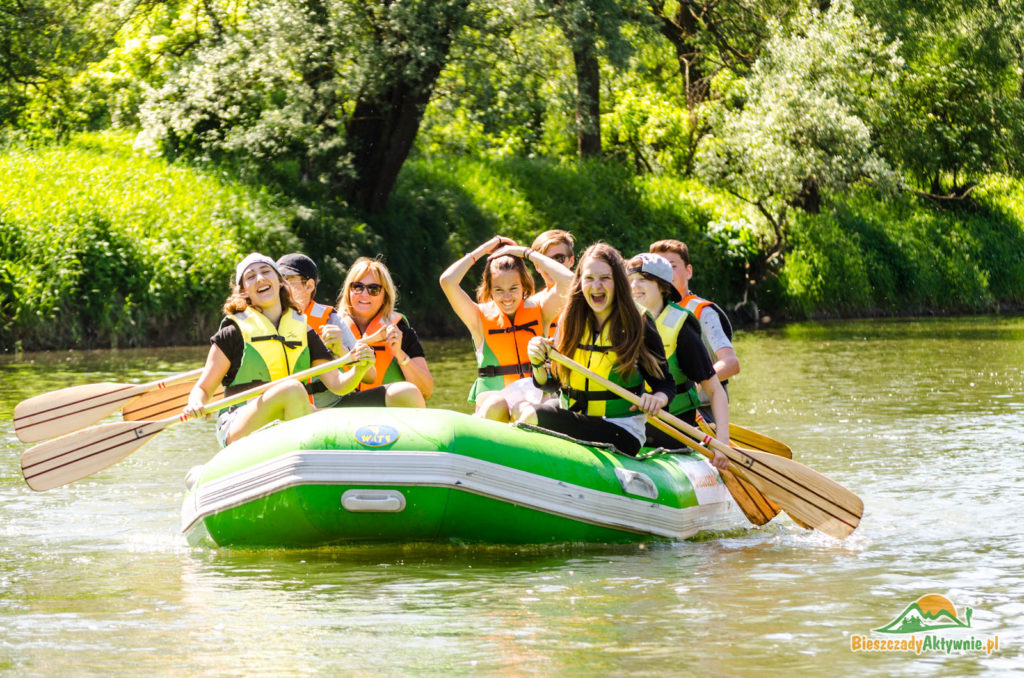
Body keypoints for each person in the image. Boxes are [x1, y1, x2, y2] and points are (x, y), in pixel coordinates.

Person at [518, 243, 727, 468]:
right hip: (578, 416)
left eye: (605, 278)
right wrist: (538, 363)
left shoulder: (642, 323)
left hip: (625, 428)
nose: (596, 286)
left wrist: (658, 399)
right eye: (589, 278)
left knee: (534, 414)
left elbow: (666, 384)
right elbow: (552, 385)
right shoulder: (571, 320)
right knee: (522, 409)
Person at [185, 253, 374, 447]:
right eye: (250, 276)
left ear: (280, 281)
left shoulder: (304, 330)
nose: (260, 278)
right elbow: (203, 388)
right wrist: (196, 403)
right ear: (243, 291)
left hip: (288, 416)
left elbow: (338, 385)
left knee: (333, 413)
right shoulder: (232, 333)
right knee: (291, 389)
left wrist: (358, 369)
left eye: (266, 271)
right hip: (239, 420)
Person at [439, 235, 572, 421]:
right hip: (492, 404)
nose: (507, 297)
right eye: (499, 290)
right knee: (497, 404)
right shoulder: (477, 317)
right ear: (490, 289)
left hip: (533, 402)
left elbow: (569, 282)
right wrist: (483, 250)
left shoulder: (540, 310)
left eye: (514, 288)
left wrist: (526, 253)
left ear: (524, 285)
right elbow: (447, 281)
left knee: (523, 409)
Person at [627, 253, 730, 451]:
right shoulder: (621, 323)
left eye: (643, 280)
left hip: (674, 425)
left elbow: (714, 389)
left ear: (663, 287)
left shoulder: (682, 327)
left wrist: (722, 443)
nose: (634, 287)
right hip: (631, 420)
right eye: (631, 280)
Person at [650, 239, 740, 413]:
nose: (664, 274)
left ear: (688, 271)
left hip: (703, 411)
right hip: (660, 408)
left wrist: (702, 381)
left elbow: (731, 363)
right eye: (659, 268)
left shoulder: (704, 313)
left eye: (672, 266)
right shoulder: (649, 312)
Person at [276, 252, 371, 405]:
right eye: (278, 279)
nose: (280, 285)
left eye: (287, 279)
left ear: (309, 286)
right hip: (287, 406)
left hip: (330, 406)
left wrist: (340, 349)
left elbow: (370, 376)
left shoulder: (331, 320)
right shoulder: (270, 319)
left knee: (404, 392)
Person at [335, 256, 431, 407]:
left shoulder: (401, 331)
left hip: (386, 413)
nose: (364, 294)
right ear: (348, 291)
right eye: (357, 287)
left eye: (374, 289)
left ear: (385, 295)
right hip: (343, 413)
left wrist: (399, 353)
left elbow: (426, 391)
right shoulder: (331, 329)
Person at [527, 230, 576, 337]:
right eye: (545, 261)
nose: (553, 266)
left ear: (571, 261)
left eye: (559, 259)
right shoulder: (533, 303)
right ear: (537, 266)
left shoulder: (589, 296)